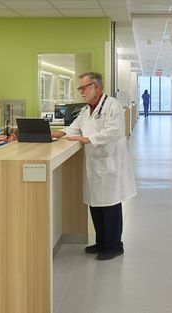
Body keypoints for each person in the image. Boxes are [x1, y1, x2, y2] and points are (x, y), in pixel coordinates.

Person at [51, 72, 137, 261]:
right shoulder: (85, 110)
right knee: (95, 204)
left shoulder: (112, 105)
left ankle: (115, 246)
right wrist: (51, 134)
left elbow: (113, 132)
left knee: (110, 206)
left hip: (109, 162)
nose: (81, 91)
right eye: (79, 88)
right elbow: (71, 129)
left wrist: (88, 138)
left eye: (84, 87)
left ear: (96, 87)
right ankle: (101, 242)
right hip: (94, 163)